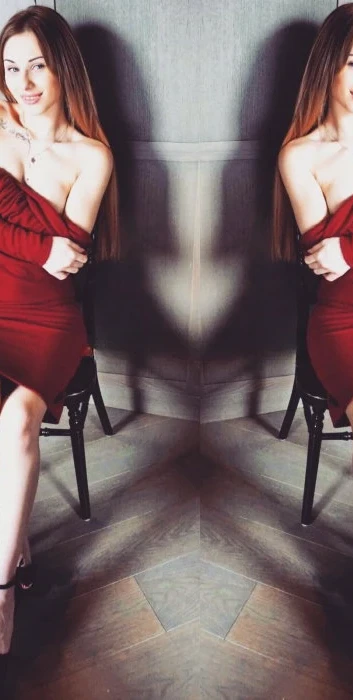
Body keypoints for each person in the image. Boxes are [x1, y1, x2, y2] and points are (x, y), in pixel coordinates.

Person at [272, 1, 353, 670]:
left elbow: (343, 248)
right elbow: (325, 257)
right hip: (346, 320)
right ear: (328, 64)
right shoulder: (300, 155)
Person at [0, 5, 118, 657]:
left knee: (18, 418)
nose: (22, 82)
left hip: (46, 316)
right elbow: (45, 247)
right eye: (10, 67)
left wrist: (33, 245)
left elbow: (66, 255)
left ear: (62, 68)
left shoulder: (90, 155)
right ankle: (12, 541)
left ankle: (1, 592)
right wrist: (35, 244)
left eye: (37, 66)